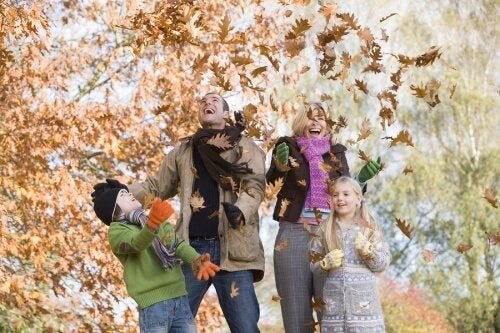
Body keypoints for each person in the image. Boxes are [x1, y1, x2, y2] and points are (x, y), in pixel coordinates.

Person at [128, 93, 266, 332]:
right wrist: (121, 193)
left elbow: (255, 185)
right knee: (174, 325)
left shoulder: (244, 147)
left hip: (233, 251)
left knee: (246, 327)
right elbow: (156, 187)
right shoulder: (184, 151)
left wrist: (241, 210)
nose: (206, 103)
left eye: (214, 100)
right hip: (191, 252)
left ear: (225, 113)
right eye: (202, 101)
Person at [266, 102, 381, 332]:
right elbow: (272, 181)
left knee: (331, 312)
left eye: (321, 117)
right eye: (310, 117)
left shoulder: (336, 153)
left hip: (330, 236)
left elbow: (346, 192)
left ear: (327, 125)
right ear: (301, 122)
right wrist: (280, 164)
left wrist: (360, 180)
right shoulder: (287, 147)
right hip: (293, 236)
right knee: (296, 316)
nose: (316, 121)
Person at [91, 179, 220, 333]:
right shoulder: (117, 233)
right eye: (123, 195)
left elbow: (177, 245)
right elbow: (137, 243)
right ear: (114, 210)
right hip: (153, 304)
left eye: (127, 192)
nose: (130, 195)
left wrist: (196, 260)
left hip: (180, 297)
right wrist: (152, 225)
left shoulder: (153, 219)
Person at [310, 176, 390, 332]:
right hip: (335, 316)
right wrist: (324, 263)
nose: (340, 198)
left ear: (358, 198)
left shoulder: (369, 226)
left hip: (366, 315)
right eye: (335, 195)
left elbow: (383, 263)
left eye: (346, 194)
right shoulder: (324, 228)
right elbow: (312, 263)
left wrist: (369, 253)